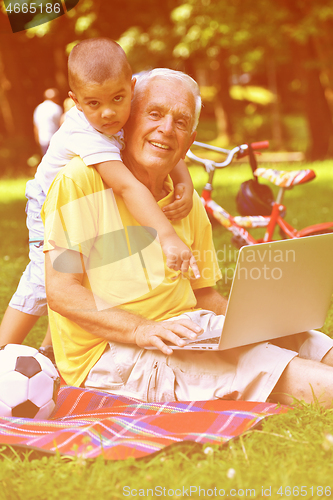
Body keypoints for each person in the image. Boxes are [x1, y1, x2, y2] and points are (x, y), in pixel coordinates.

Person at [43, 68, 333, 408]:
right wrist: (141, 329)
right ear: (128, 120)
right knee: (263, 366)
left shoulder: (186, 200)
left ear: (189, 141)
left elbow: (203, 293)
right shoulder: (80, 181)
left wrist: (253, 324)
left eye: (180, 122)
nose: (166, 129)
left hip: (186, 330)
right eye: (154, 114)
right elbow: (61, 292)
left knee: (307, 340)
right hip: (111, 354)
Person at [0, 39, 198, 352]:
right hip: (48, 204)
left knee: (87, 271)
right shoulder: (86, 132)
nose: (107, 113)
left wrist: (184, 182)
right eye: (93, 104)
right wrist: (168, 236)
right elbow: (126, 185)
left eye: (117, 98)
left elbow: (167, 148)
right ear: (75, 101)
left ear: (131, 88)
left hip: (88, 203)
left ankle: (52, 350)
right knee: (46, 276)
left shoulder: (126, 110)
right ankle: (3, 348)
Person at [33, 88, 63, 155]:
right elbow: (61, 124)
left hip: (43, 140)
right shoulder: (56, 108)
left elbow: (36, 126)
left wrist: (38, 140)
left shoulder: (39, 108)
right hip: (55, 140)